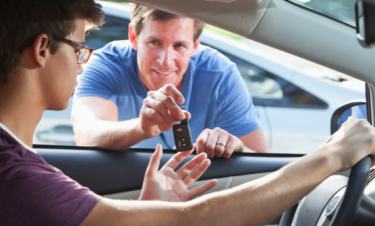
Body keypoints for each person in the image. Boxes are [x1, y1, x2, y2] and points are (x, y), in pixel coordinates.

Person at [1, 1, 375, 226]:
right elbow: (197, 225)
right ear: (43, 49)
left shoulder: (17, 166)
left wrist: (149, 211)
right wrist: (332, 155)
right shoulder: (16, 179)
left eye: (179, 46)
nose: (84, 60)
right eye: (80, 47)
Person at [71, 3, 271, 159]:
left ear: (195, 45)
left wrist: (237, 148)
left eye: (179, 45)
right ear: (133, 36)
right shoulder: (105, 66)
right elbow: (87, 136)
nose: (165, 61)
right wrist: (141, 128)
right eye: (154, 42)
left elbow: (265, 165)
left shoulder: (220, 74)